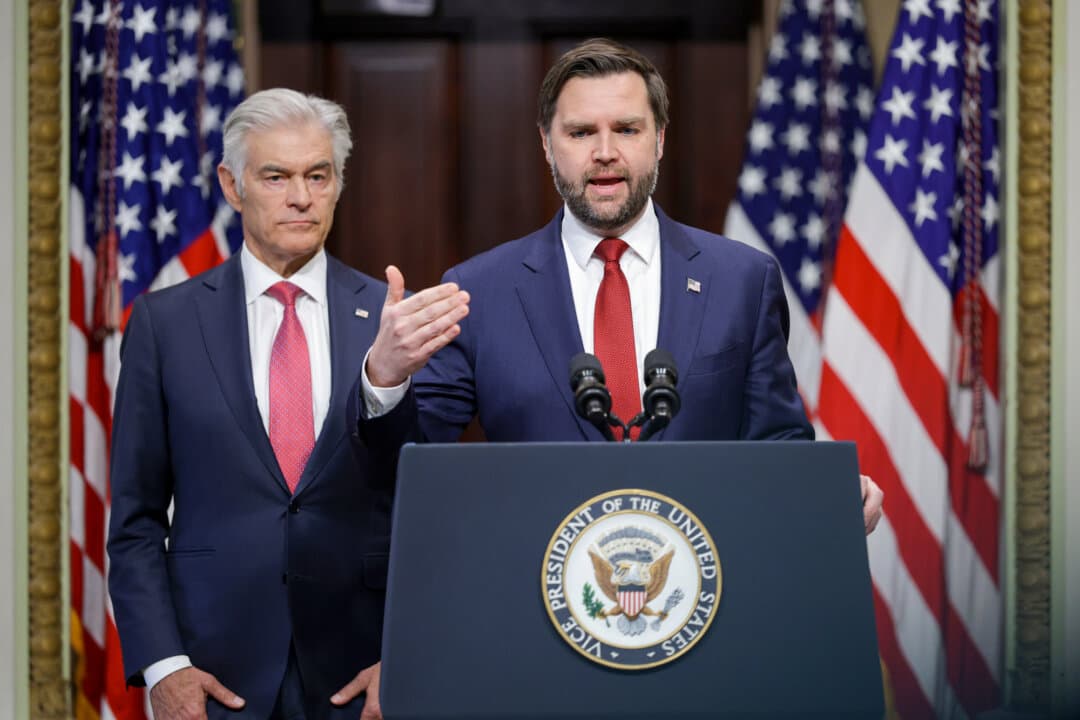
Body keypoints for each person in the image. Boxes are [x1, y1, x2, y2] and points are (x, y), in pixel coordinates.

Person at [355, 38, 883, 533]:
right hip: (537, 596)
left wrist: (825, 495)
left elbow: (778, 451)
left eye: (627, 129)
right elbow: (409, 469)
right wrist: (385, 378)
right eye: (581, 132)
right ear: (546, 144)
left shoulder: (742, 279)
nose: (605, 151)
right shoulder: (479, 291)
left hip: (709, 591)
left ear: (659, 140)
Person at [107, 89, 410, 719]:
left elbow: (429, 509)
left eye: (317, 175)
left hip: (362, 678)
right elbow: (134, 524)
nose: (301, 196)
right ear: (232, 184)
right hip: (215, 676)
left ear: (337, 183)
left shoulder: (391, 317)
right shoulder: (165, 325)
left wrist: (409, 652)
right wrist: (165, 667)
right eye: (277, 176)